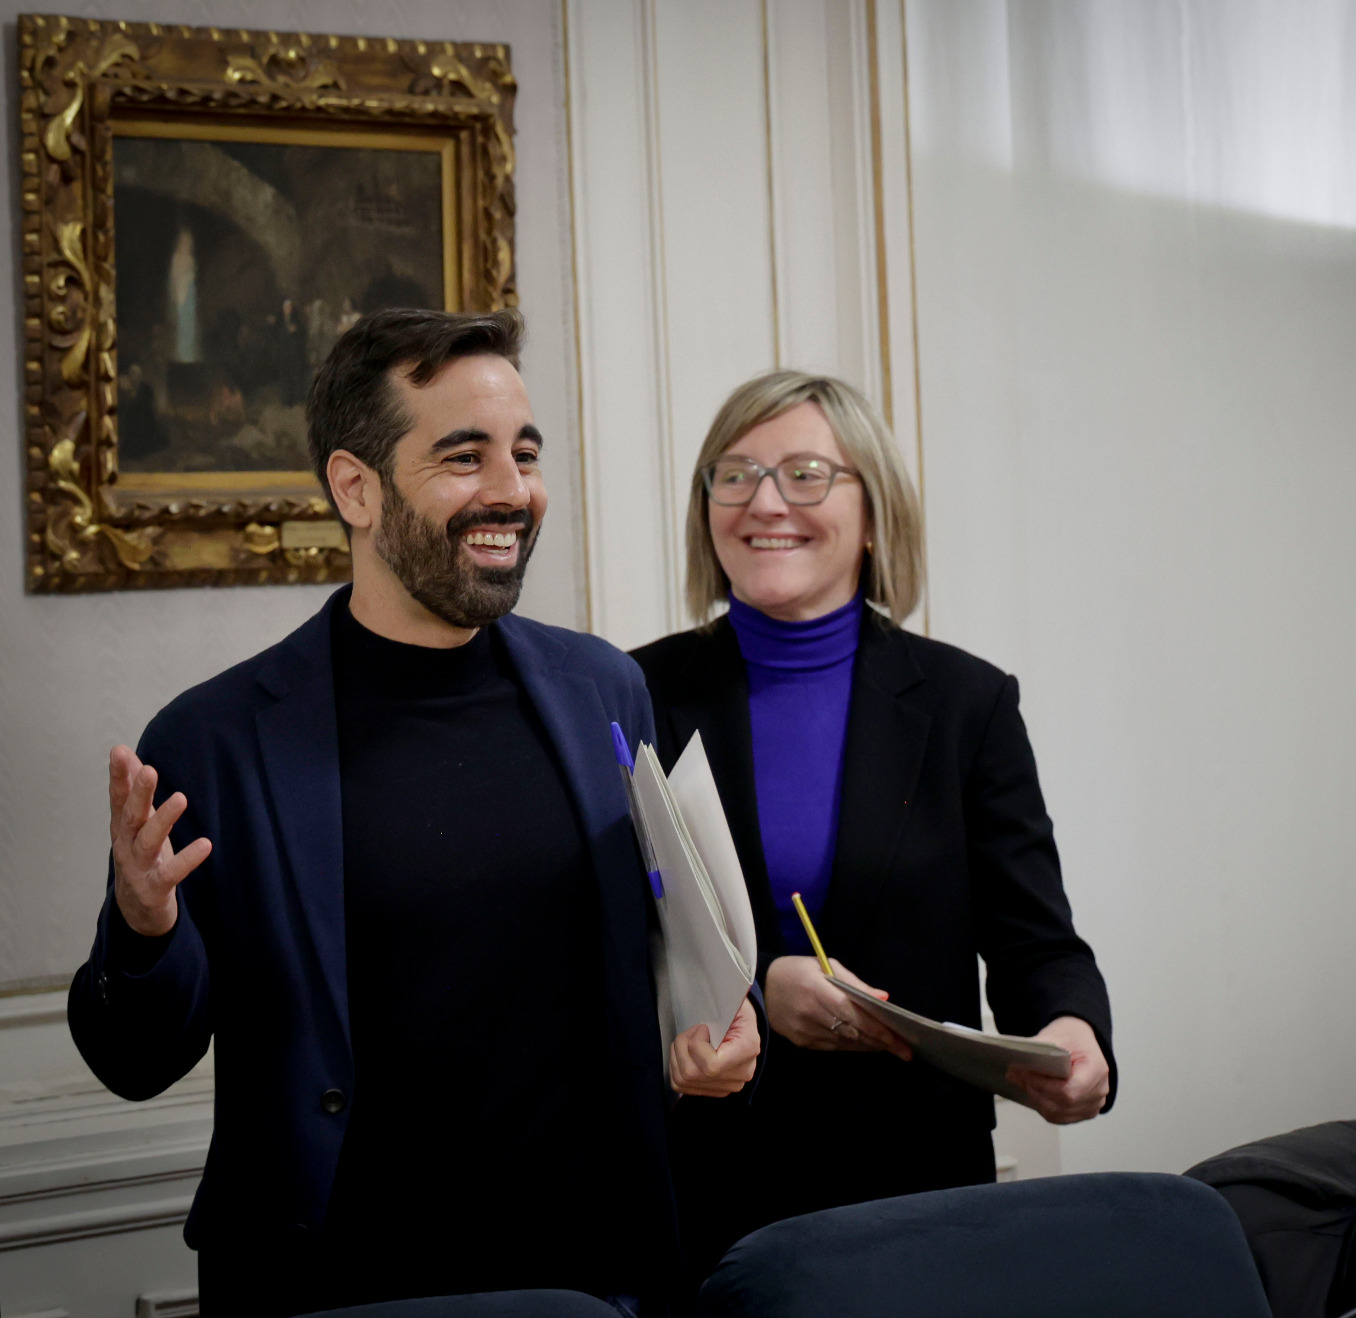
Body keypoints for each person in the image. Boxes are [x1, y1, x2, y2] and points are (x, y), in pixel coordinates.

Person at [68, 309, 761, 1317]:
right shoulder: (216, 738)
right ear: (356, 487)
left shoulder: (604, 690)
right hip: (335, 1285)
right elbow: (132, 1060)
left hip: (592, 1273)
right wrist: (143, 931)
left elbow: (674, 950)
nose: (512, 492)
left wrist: (714, 1035)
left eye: (524, 454)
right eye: (463, 456)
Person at [630, 371, 1115, 1276]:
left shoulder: (967, 703)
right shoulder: (632, 694)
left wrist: (1076, 1035)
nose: (766, 501)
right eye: (732, 475)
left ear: (874, 507)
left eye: (807, 473)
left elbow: (1035, 941)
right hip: (712, 1190)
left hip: (917, 1189)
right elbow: (605, 947)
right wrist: (754, 994)